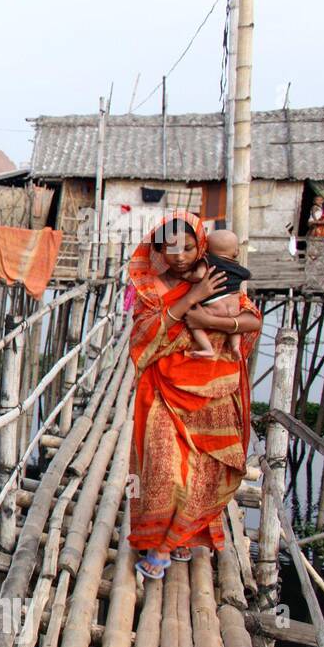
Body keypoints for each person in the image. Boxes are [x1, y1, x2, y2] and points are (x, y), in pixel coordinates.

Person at [127, 212, 262, 581]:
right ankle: (157, 538)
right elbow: (142, 338)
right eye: (171, 249)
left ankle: (176, 539)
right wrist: (194, 299)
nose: (180, 256)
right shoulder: (149, 287)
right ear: (158, 250)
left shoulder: (217, 274)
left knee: (205, 471)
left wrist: (211, 321)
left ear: (200, 244)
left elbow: (251, 320)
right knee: (164, 470)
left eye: (188, 247)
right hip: (162, 389)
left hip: (216, 390)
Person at [183, 229, 251, 359]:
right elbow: (246, 275)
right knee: (236, 328)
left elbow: (199, 275)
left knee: (192, 320)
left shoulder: (208, 260)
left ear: (206, 249)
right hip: (234, 307)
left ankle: (207, 348)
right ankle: (235, 346)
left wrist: (188, 276)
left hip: (214, 305)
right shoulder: (239, 268)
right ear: (236, 252)